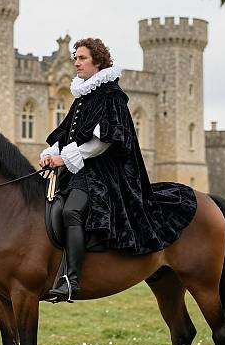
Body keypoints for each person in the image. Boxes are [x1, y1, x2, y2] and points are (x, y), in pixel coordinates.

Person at [39, 38, 157, 303]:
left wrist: (65, 159)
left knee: (71, 210)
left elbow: (103, 141)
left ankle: (71, 280)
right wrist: (51, 154)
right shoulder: (83, 96)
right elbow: (67, 133)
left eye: (82, 58)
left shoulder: (110, 96)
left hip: (104, 173)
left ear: (98, 62)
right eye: (75, 58)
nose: (76, 63)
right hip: (78, 171)